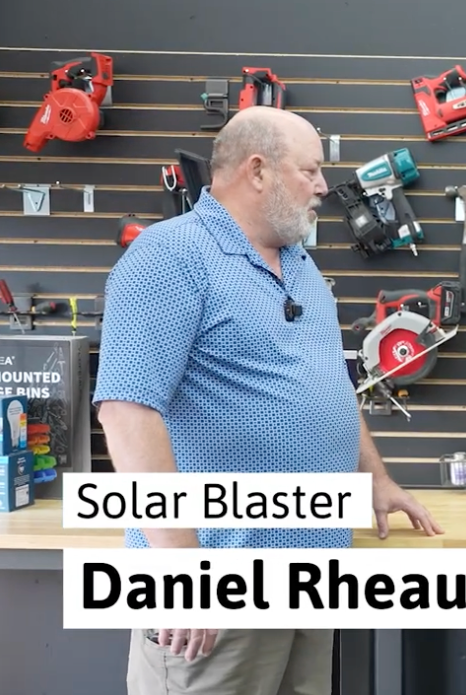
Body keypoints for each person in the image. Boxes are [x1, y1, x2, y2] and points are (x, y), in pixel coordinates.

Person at [93, 105, 445, 695]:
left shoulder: (302, 267)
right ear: (257, 171)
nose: (323, 187)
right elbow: (126, 412)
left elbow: (329, 387)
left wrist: (375, 478)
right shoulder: (168, 258)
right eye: (309, 171)